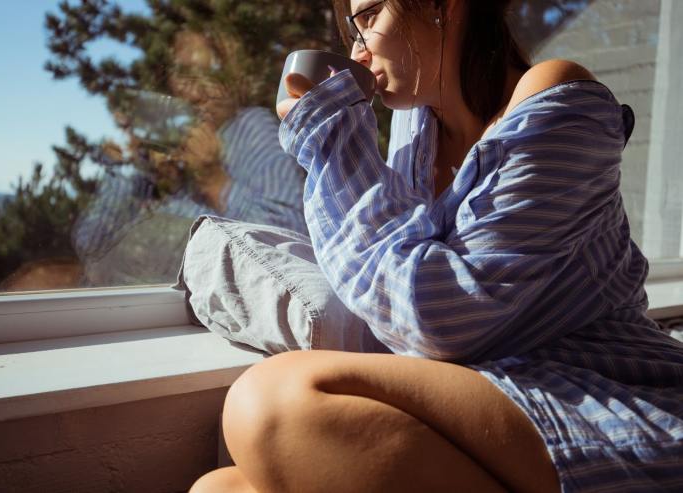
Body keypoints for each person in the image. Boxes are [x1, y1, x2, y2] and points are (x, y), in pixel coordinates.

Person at [190, 0, 683, 492]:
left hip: (599, 389)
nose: (358, 53)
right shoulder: (415, 130)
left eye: (369, 17)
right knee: (218, 489)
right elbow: (386, 288)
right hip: (491, 386)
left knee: (269, 403)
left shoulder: (559, 99)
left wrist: (333, 139)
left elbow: (434, 317)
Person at [72, 30, 307, 286]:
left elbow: (292, 241)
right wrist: (131, 167)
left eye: (208, 74)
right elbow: (88, 242)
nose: (194, 93)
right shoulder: (162, 146)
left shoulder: (251, 128)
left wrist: (214, 180)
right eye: (184, 75)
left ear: (230, 78)